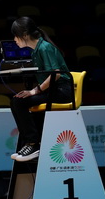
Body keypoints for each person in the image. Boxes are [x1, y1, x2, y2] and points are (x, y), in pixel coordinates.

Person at [9, 16, 73, 162]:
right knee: (16, 100)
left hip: (62, 92)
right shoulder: (35, 50)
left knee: (19, 102)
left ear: (25, 35)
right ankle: (29, 143)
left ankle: (33, 144)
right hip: (52, 91)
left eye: (16, 35)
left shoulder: (45, 48)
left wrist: (34, 91)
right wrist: (33, 90)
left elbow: (56, 74)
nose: (14, 40)